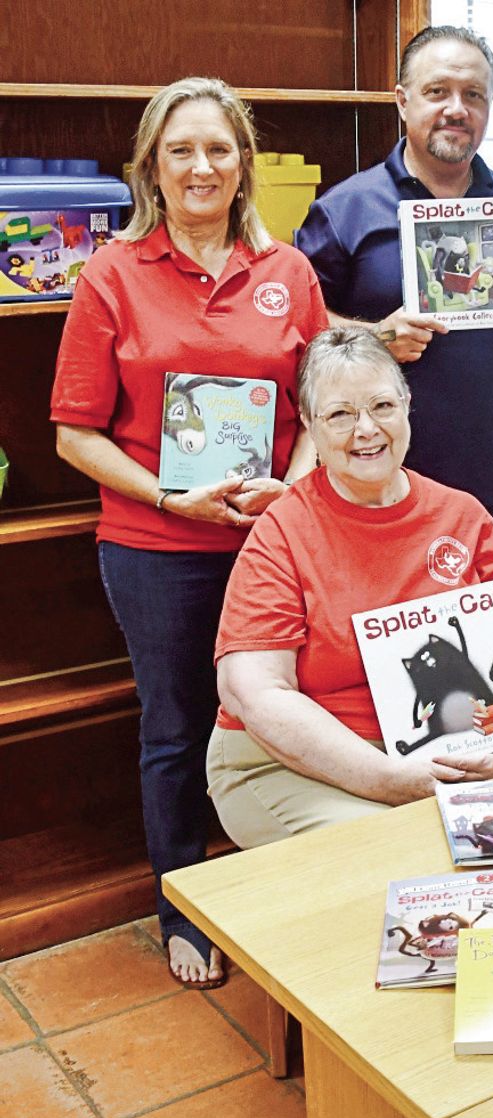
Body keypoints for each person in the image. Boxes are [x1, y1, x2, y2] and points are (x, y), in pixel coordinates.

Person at [50, 77, 328, 986]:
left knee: (280, 720)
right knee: (175, 730)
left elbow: (321, 409)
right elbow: (74, 431)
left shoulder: (288, 273)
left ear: (243, 164)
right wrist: (172, 499)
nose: (201, 166)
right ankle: (183, 907)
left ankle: (282, 896)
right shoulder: (110, 274)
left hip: (274, 544)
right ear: (152, 169)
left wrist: (287, 496)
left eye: (218, 148)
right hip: (157, 548)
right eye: (181, 151)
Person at [206, 326, 493, 847]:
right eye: (340, 414)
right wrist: (388, 779)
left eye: (381, 407)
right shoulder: (282, 531)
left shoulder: (461, 514)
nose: (365, 430)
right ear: (309, 424)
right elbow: (253, 691)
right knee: (410, 855)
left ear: (407, 405)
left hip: (468, 753)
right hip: (302, 768)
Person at [295, 26, 493, 579]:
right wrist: (373, 336)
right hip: (377, 482)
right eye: (437, 91)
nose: (456, 109)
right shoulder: (343, 209)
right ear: (403, 101)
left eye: (473, 95)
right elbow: (297, 323)